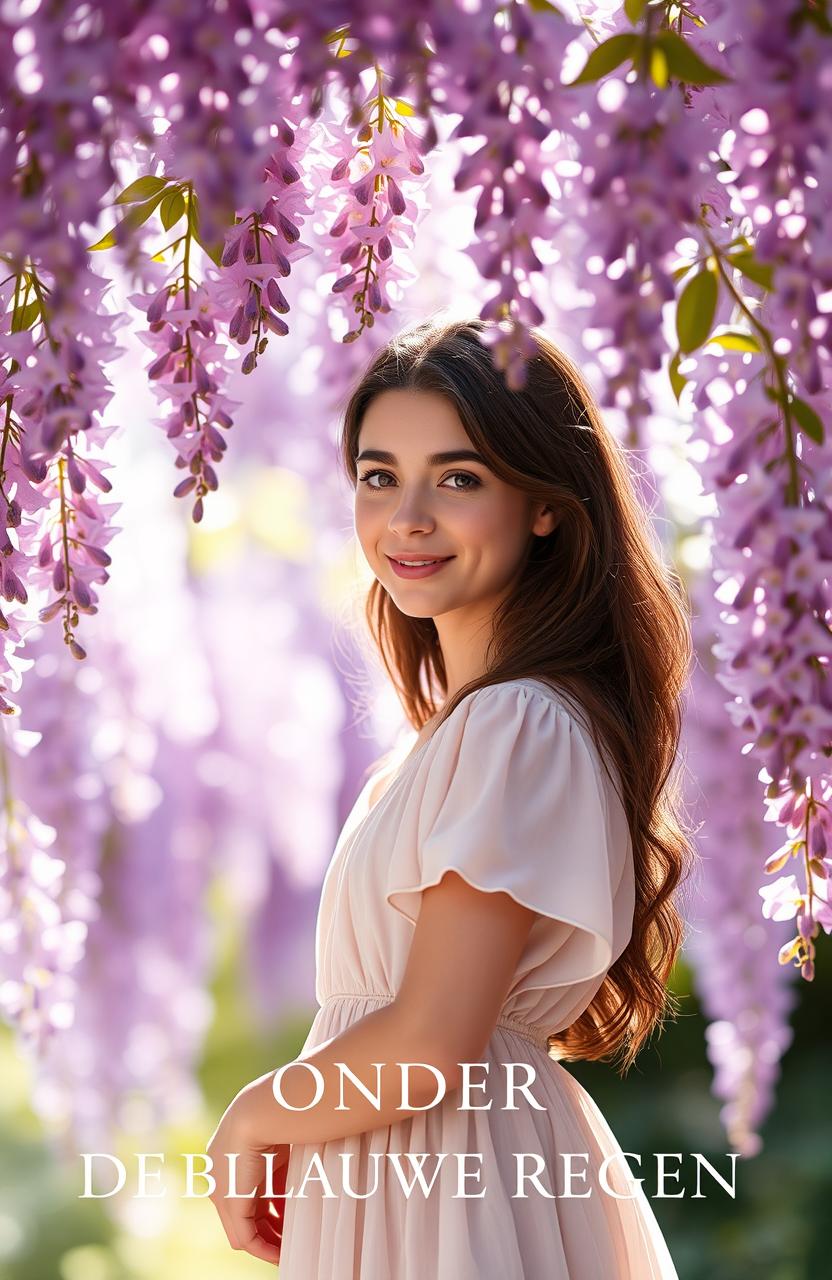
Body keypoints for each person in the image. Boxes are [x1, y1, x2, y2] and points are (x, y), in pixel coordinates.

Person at [206, 316, 694, 1277]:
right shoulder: (444, 746)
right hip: (419, 1177)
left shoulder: (517, 725)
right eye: (379, 476)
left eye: (459, 479)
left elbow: (431, 1039)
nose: (408, 518)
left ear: (545, 504)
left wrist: (255, 1119)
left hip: (454, 1178)